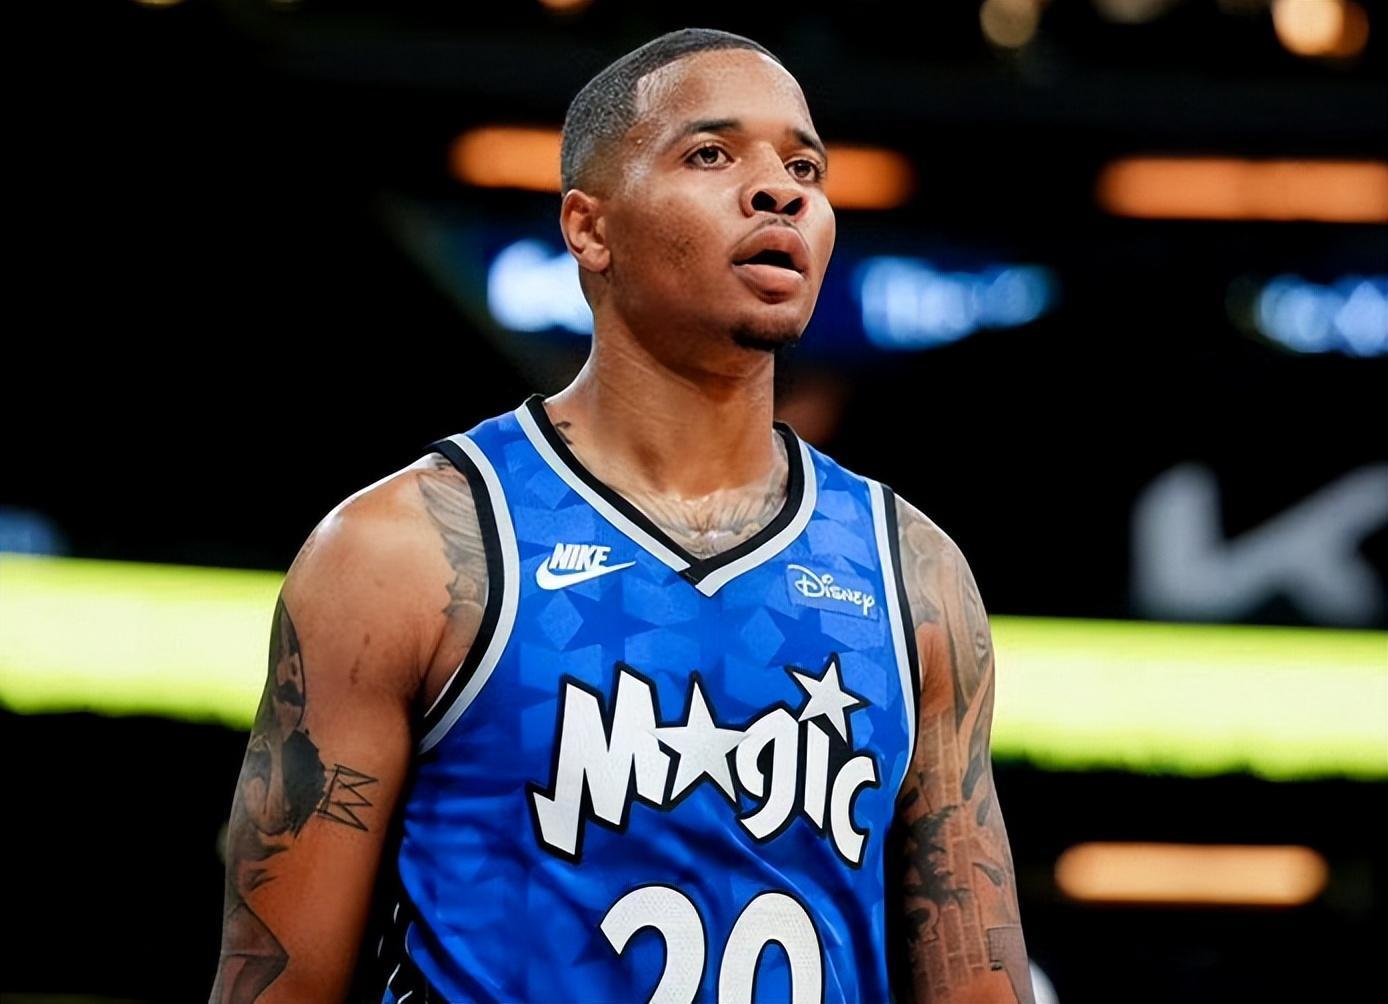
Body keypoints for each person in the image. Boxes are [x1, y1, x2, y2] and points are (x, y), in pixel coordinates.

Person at [211, 27, 1032, 1004]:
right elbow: (276, 984)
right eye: (711, 153)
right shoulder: (407, 548)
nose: (779, 191)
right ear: (588, 228)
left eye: (803, 166)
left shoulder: (913, 573)